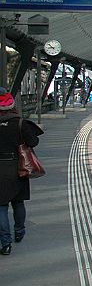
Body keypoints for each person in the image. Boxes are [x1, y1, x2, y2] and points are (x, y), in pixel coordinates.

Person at [0, 92, 44, 255]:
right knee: (18, 202)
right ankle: (19, 232)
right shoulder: (20, 123)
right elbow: (34, 142)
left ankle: (5, 243)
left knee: (1, 207)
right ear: (12, 106)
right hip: (19, 167)